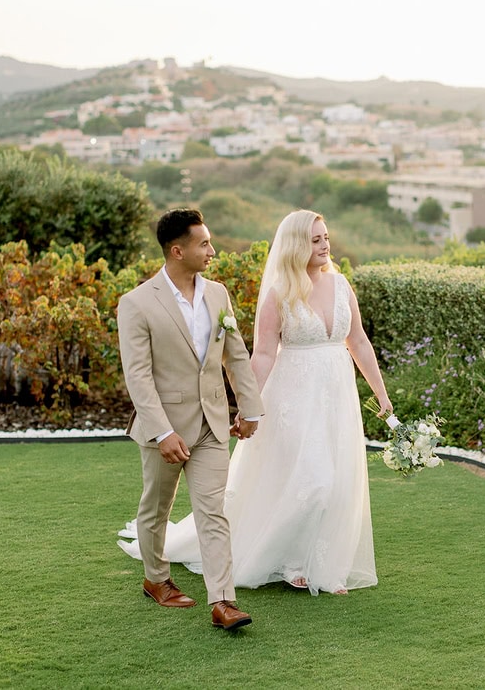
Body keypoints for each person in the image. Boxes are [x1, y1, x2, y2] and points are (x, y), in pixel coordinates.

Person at [119, 209, 396, 596]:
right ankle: (290, 562)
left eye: (326, 237)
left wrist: (381, 395)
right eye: (315, 239)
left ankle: (322, 564)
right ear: (297, 244)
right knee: (314, 481)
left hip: (337, 396)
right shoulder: (279, 292)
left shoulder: (340, 285)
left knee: (337, 482)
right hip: (294, 398)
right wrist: (252, 407)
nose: (324, 245)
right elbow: (260, 355)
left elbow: (359, 342)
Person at [116, 208, 264, 630]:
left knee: (212, 511)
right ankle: (156, 578)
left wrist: (249, 409)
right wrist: (162, 431)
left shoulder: (218, 295)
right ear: (177, 251)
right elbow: (138, 376)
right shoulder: (136, 304)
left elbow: (235, 355)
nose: (212, 250)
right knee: (155, 509)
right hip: (164, 427)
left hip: (213, 424)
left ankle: (223, 601)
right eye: (204, 244)